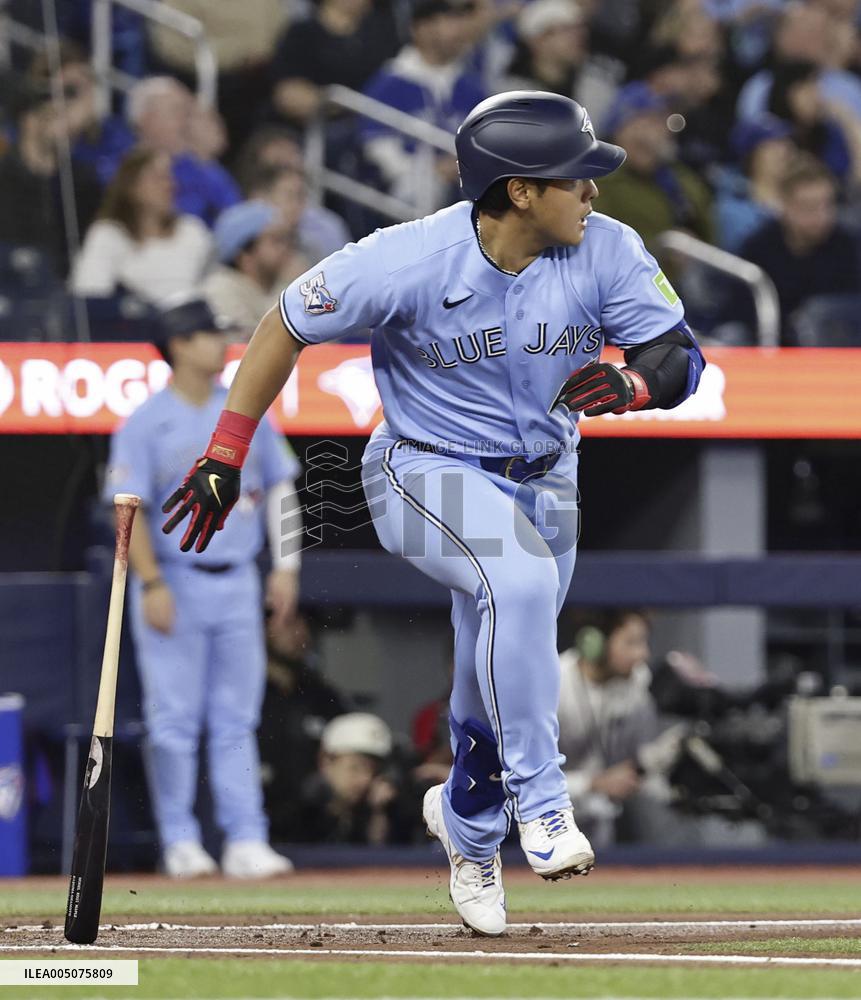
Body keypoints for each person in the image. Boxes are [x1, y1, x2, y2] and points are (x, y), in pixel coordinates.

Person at [160, 91, 705, 935]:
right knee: (516, 583)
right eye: (576, 179)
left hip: (548, 477)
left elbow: (680, 356)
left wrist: (636, 383)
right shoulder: (407, 257)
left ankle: (468, 825)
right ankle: (542, 800)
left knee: (497, 665)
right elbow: (281, 325)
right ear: (519, 190)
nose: (593, 192)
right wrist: (224, 451)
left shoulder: (605, 248)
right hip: (425, 467)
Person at [105, 296, 301, 878]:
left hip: (238, 578)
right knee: (173, 719)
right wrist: (151, 582)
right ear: (180, 345)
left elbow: (282, 490)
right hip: (175, 581)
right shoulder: (144, 423)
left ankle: (245, 837)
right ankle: (181, 839)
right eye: (208, 335)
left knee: (237, 716)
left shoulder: (245, 413)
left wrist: (287, 567)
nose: (221, 343)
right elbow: (127, 511)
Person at [361, 0, 487, 209]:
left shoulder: (470, 84)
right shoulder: (392, 81)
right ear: (420, 28)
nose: (458, 29)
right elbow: (377, 146)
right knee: (423, 188)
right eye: (448, 20)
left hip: (463, 179)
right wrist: (431, 169)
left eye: (458, 20)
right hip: (407, 184)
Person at [557, 610, 660, 846]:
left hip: (601, 821)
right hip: (544, 821)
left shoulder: (638, 679)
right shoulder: (555, 683)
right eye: (631, 643)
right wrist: (593, 783)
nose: (643, 654)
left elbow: (645, 750)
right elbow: (527, 780)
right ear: (595, 643)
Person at [70, 147, 213, 304]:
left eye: (170, 177)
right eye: (159, 177)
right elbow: (90, 294)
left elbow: (213, 287)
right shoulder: (108, 234)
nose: (170, 185)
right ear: (131, 187)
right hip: (137, 322)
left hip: (195, 321)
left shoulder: (192, 230)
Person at [739, 153, 859, 340]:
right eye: (809, 207)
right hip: (771, 351)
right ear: (785, 206)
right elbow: (743, 314)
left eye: (827, 205)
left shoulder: (848, 245)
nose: (821, 216)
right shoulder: (758, 248)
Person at [258, 612, 349, 840]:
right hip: (259, 818)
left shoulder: (321, 694)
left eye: (305, 624)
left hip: (316, 824)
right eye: (289, 623)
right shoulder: (246, 695)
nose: (300, 633)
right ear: (262, 628)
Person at [0, 79, 101, 277]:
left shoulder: (81, 181)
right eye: (55, 116)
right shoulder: (3, 176)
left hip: (65, 290)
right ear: (29, 121)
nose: (66, 126)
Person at [126, 77, 241, 225]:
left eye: (188, 114)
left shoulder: (200, 167)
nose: (186, 123)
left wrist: (206, 158)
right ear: (147, 119)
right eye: (176, 112)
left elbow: (235, 214)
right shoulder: (120, 166)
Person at [269, 0, 398, 130]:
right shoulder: (301, 33)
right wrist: (337, 104)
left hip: (379, 126)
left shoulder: (383, 31)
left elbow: (400, 80)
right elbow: (289, 95)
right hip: (318, 127)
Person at [290, 712, 403, 844]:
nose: (366, 779)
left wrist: (378, 814)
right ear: (325, 761)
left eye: (374, 771)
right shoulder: (295, 815)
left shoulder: (380, 812)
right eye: (355, 767)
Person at [203, 200, 302, 336]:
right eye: (276, 240)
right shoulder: (220, 289)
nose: (286, 248)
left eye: (287, 239)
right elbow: (257, 345)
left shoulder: (286, 282)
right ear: (244, 255)